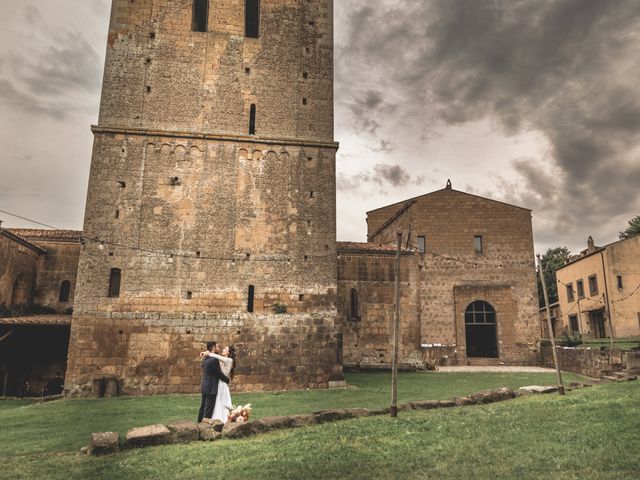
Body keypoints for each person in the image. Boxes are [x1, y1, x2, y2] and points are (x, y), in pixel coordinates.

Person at [197, 341, 230, 423]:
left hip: (205, 386)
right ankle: (204, 427)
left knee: (203, 407)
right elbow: (218, 373)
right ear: (213, 348)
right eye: (217, 347)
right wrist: (227, 380)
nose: (218, 349)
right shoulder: (213, 360)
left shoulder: (205, 359)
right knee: (208, 409)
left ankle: (199, 423)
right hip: (211, 387)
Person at [202, 346, 236, 423]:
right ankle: (217, 420)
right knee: (217, 403)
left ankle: (224, 420)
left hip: (222, 385)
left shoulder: (229, 360)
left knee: (222, 403)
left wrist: (209, 353)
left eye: (225, 349)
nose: (223, 349)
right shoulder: (222, 360)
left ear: (228, 352)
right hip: (218, 384)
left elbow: (218, 356)